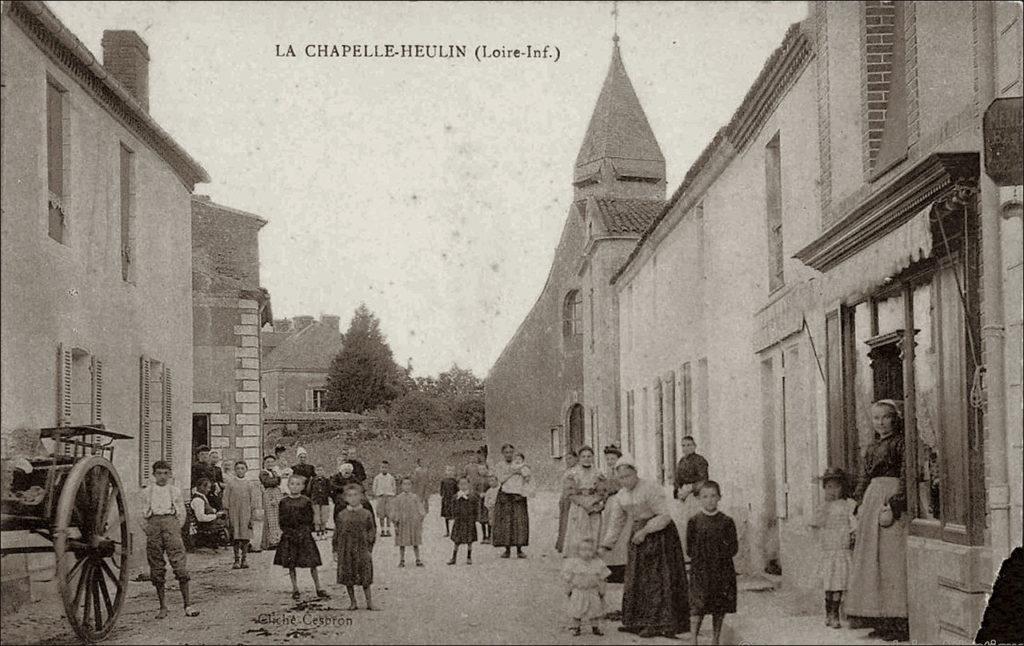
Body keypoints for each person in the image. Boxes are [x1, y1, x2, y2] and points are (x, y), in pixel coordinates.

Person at [600, 455, 689, 639]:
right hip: (638, 535)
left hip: (660, 535)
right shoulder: (621, 496)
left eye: (628, 475)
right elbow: (616, 522)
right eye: (621, 477)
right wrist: (606, 545)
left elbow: (664, 515)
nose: (625, 480)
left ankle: (657, 623)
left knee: (656, 579)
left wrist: (646, 531)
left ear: (635, 473)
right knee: (635, 577)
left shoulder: (650, 488)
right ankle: (636, 620)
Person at [846, 400, 909, 642]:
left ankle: (898, 621)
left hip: (889, 498)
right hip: (873, 499)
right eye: (876, 418)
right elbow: (865, 475)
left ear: (895, 418)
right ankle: (880, 618)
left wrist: (895, 504)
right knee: (873, 561)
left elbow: (905, 474)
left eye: (885, 417)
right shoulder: (872, 447)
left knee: (891, 560)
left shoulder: (901, 443)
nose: (880, 422)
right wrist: (858, 502)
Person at [140, 460, 198, 618]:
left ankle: (187, 605)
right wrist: (150, 529)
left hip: (171, 525)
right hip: (154, 525)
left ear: (170, 474)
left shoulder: (175, 491)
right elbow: (142, 514)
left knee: (179, 564)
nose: (162, 476)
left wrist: (174, 528)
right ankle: (163, 607)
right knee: (156, 565)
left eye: (166, 473)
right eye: (159, 473)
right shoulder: (147, 492)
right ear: (153, 475)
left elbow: (181, 514)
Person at [687, 481, 738, 645]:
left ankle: (715, 639)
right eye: (705, 496)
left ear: (719, 498)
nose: (709, 500)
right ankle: (693, 638)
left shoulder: (726, 521)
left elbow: (733, 547)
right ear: (699, 499)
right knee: (697, 605)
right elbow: (689, 548)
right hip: (701, 571)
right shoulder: (694, 521)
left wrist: (719, 557)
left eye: (713, 496)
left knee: (719, 605)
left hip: (721, 571)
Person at [809, 467, 857, 629]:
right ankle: (828, 612)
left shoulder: (847, 505)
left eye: (836, 486)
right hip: (828, 550)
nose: (833, 490)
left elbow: (853, 524)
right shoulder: (823, 507)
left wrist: (852, 535)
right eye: (829, 487)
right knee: (829, 584)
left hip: (841, 549)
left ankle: (835, 614)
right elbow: (815, 523)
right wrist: (824, 509)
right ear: (824, 489)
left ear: (842, 487)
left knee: (838, 584)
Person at [275, 474, 328, 601]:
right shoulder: (284, 502)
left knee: (312, 562)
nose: (295, 486)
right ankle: (295, 588)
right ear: (288, 486)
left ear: (303, 487)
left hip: (304, 535)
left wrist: (304, 532)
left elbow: (310, 519)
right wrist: (289, 532)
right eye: (292, 484)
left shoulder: (306, 501)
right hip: (289, 535)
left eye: (298, 484)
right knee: (291, 562)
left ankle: (318, 587)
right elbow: (282, 521)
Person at [333, 484, 376, 610]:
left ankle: (369, 603)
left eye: (355, 495)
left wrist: (369, 547)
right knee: (348, 575)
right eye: (349, 496)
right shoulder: (342, 515)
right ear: (345, 498)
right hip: (346, 549)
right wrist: (335, 550)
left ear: (361, 497)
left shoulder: (366, 513)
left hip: (362, 548)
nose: (353, 498)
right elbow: (337, 533)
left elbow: (371, 530)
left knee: (365, 575)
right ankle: (353, 602)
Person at [562, 537, 610, 636]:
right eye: (583, 550)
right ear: (578, 551)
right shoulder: (574, 563)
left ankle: (595, 627)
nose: (587, 553)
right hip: (579, 590)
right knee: (577, 610)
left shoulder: (598, 563)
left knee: (595, 610)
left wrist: (602, 590)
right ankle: (576, 627)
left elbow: (603, 578)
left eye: (590, 550)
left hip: (592, 591)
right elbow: (568, 578)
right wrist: (568, 589)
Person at [563, 446, 606, 557]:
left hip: (594, 506)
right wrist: (583, 503)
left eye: (589, 456)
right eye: (583, 456)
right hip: (579, 506)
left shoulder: (598, 473)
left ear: (593, 457)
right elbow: (569, 493)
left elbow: (602, 491)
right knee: (578, 534)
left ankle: (592, 560)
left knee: (594, 532)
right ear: (579, 458)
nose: (586, 459)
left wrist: (595, 502)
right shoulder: (572, 473)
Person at [492, 443, 530, 559]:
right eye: (506, 452)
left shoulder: (519, 463)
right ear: (503, 454)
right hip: (505, 496)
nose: (509, 455)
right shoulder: (499, 465)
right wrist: (513, 472)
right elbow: (501, 479)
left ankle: (519, 549)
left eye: (511, 452)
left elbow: (527, 476)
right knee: (506, 522)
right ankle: (507, 549)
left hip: (518, 495)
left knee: (519, 521)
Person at [674, 436, 709, 557]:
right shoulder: (681, 461)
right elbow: (677, 479)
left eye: (689, 445)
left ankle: (700, 554)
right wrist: (678, 490)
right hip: (683, 496)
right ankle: (689, 554)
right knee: (684, 525)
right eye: (683, 445)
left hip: (695, 496)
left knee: (696, 524)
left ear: (694, 446)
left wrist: (690, 490)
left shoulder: (700, 460)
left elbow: (703, 480)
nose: (686, 448)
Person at [599, 445, 629, 584]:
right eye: (608, 459)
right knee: (608, 531)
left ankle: (620, 568)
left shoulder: (621, 472)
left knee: (619, 534)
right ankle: (610, 567)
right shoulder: (608, 473)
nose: (610, 461)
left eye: (613, 458)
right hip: (610, 503)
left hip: (619, 501)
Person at [223, 460, 260, 568]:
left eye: (242, 468)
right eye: (238, 468)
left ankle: (244, 559)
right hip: (234, 512)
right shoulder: (230, 483)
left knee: (245, 536)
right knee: (236, 536)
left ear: (246, 470)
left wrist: (253, 514)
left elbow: (253, 499)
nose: (240, 470)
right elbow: (226, 498)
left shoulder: (250, 484)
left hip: (246, 513)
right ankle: (236, 560)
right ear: (235, 470)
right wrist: (226, 511)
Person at [390, 477, 426, 567]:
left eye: (409, 484)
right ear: (401, 486)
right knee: (402, 542)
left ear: (411, 486)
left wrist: (420, 519)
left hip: (413, 523)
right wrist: (396, 521)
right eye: (404, 484)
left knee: (415, 541)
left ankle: (418, 559)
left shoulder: (415, 497)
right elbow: (395, 510)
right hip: (403, 522)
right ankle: (402, 560)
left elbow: (421, 509)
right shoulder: (398, 498)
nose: (406, 486)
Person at [185, 478, 228, 550]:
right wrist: (215, 516)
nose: (209, 490)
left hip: (208, 521)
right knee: (226, 521)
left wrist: (213, 511)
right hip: (203, 525)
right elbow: (201, 518)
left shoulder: (202, 497)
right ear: (201, 487)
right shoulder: (198, 500)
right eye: (208, 488)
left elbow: (206, 508)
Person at [448, 476, 478, 565]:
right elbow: (452, 508)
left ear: (468, 485)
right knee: (457, 540)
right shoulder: (455, 497)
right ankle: (454, 557)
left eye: (465, 484)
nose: (463, 486)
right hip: (459, 521)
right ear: (458, 485)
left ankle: (469, 557)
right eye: (461, 484)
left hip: (469, 521)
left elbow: (476, 509)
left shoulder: (472, 497)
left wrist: (474, 519)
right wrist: (454, 516)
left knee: (469, 540)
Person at [555, 451, 579, 554]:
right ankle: (562, 544)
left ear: (576, 459)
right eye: (567, 459)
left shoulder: (577, 470)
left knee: (570, 522)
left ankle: (569, 546)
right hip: (565, 497)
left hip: (572, 497)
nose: (568, 461)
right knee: (564, 520)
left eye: (570, 458)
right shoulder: (567, 470)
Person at [260, 455, 284, 550]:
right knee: (270, 518)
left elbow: (278, 481)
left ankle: (277, 539)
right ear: (265, 463)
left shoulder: (274, 472)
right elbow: (268, 483)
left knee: (277, 517)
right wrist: (277, 480)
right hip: (269, 495)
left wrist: (277, 480)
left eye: (272, 462)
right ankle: (271, 541)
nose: (270, 464)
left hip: (276, 495)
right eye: (268, 462)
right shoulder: (263, 473)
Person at [372, 461, 397, 537]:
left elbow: (394, 487)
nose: (384, 469)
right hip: (381, 497)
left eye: (385, 467)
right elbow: (374, 487)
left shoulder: (391, 478)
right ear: (380, 468)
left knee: (389, 514)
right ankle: (382, 530)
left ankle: (388, 530)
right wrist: (377, 494)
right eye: (382, 467)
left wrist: (392, 494)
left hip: (389, 497)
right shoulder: (377, 478)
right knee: (381, 514)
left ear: (388, 468)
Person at [309, 465, 333, 538]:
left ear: (323, 471)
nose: (320, 472)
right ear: (316, 472)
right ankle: (317, 532)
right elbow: (309, 490)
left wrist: (327, 495)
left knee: (324, 516)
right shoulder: (313, 480)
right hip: (315, 500)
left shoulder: (326, 480)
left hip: (324, 500)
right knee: (316, 516)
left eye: (321, 470)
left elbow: (329, 489)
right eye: (318, 470)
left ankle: (323, 531)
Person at [439, 465, 459, 537]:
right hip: (446, 500)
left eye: (451, 471)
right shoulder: (443, 481)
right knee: (446, 517)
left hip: (453, 500)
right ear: (446, 472)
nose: (450, 472)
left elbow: (457, 490)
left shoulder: (455, 481)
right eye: (448, 470)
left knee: (455, 515)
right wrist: (443, 496)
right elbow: (441, 491)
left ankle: (455, 531)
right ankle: (447, 531)